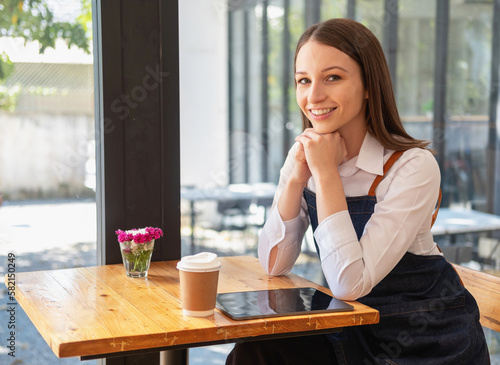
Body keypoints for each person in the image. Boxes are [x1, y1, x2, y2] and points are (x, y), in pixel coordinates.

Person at [226, 18, 489, 365]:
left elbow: (350, 284)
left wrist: (325, 173)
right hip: (353, 330)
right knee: (257, 348)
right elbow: (274, 263)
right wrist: (294, 177)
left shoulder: (412, 166)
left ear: (368, 85)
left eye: (332, 77)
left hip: (428, 342)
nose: (314, 95)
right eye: (303, 81)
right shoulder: (307, 156)